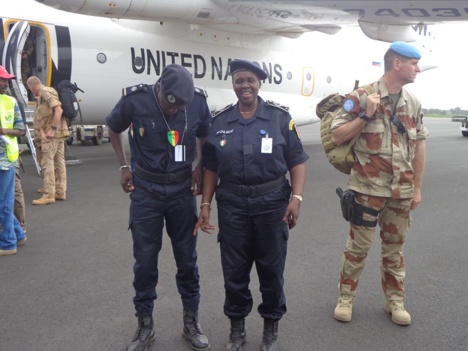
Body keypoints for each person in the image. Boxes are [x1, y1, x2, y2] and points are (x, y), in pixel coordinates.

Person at [194, 59, 308, 351]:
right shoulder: (220, 121)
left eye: (250, 80)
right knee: (234, 272)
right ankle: (237, 329)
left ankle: (271, 326)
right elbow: (210, 167)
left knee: (271, 270)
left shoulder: (279, 118)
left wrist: (296, 198)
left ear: (259, 83)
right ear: (233, 84)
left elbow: (296, 160)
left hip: (272, 203)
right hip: (232, 204)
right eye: (238, 80)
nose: (244, 85)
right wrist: (206, 203)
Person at [106, 64, 211, 351]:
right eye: (169, 105)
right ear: (160, 86)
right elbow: (114, 128)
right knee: (145, 262)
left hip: (181, 191)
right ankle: (145, 327)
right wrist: (124, 165)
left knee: (187, 261)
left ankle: (191, 323)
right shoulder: (135, 99)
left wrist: (200, 165)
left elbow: (205, 133)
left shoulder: (198, 101)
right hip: (146, 191)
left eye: (180, 109)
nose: (174, 112)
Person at [330, 41, 428, 326]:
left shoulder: (413, 102)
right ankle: (346, 298)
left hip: (401, 191)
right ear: (397, 64)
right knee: (357, 249)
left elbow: (419, 145)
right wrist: (365, 114)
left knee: (394, 251)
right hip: (366, 190)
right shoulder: (362, 97)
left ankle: (395, 302)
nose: (417, 69)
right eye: (413, 63)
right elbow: (337, 136)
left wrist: (417, 187)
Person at [27, 76, 69, 205]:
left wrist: (52, 130)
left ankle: (49, 194)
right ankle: (60, 191)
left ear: (32, 87)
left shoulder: (45, 92)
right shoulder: (43, 94)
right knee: (59, 162)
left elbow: (58, 110)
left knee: (47, 163)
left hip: (52, 135)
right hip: (58, 134)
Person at [0, 65, 27, 256]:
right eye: (2, 79)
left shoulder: (11, 102)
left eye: (6, 80)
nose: (5, 83)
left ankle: (8, 244)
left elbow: (21, 130)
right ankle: (17, 234)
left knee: (4, 202)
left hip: (6, 160)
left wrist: (4, 131)